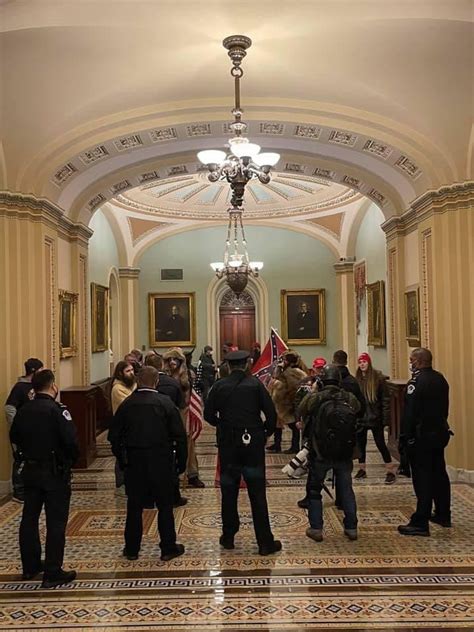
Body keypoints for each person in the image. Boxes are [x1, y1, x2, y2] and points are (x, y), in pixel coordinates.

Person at [204, 350, 282, 555]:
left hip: (228, 444)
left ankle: (228, 536)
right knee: (257, 493)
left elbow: (208, 415)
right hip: (253, 444)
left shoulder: (219, 386)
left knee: (228, 492)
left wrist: (222, 425)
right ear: (247, 364)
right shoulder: (256, 385)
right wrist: (265, 432)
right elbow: (271, 414)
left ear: (228, 366)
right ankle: (265, 542)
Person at [108, 366, 188, 561]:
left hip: (135, 463)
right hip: (161, 461)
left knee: (134, 507)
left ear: (138, 381)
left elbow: (114, 437)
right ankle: (168, 547)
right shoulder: (165, 403)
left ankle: (132, 549)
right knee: (164, 506)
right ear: (156, 382)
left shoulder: (127, 404)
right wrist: (180, 463)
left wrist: (123, 459)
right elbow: (180, 436)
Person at [10, 369, 79, 588]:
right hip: (54, 473)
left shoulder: (24, 410)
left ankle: (29, 567)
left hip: (30, 472)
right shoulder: (57, 410)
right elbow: (70, 442)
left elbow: (14, 437)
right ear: (52, 386)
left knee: (29, 519)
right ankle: (52, 571)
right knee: (56, 522)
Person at [300, 365, 360, 542]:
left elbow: (301, 410)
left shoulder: (316, 398)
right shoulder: (349, 397)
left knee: (314, 490)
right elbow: (358, 410)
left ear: (321, 380)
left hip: (320, 452)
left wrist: (313, 391)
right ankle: (351, 527)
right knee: (346, 490)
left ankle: (316, 528)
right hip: (344, 452)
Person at [398, 348, 452, 537]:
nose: (410, 363)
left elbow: (410, 413)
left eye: (412, 360)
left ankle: (420, 521)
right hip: (439, 433)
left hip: (421, 438)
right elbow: (445, 408)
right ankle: (444, 514)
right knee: (439, 473)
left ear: (418, 362)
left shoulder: (416, 382)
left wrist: (404, 437)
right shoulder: (440, 379)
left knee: (422, 479)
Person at [144, 352, 188, 507]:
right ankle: (173, 497)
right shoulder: (172, 383)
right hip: (167, 430)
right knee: (168, 467)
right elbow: (181, 406)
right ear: (162, 365)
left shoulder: (139, 387)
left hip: (145, 431)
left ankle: (148, 498)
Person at [163, 348, 204, 488]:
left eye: (176, 360)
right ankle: (173, 474)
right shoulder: (163, 377)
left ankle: (192, 474)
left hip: (185, 412)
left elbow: (192, 395)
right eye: (169, 360)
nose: (172, 362)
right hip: (168, 414)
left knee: (189, 446)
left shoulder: (189, 375)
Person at [5, 357, 44, 503]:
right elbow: (9, 408)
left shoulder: (37, 386)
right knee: (20, 459)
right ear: (33, 371)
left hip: (36, 431)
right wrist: (19, 426)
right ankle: (18, 490)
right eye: (40, 370)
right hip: (22, 432)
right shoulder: (19, 387)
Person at [355, 353, 396, 484]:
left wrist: (385, 420)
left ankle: (390, 470)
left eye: (364, 362)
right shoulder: (356, 379)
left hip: (375, 417)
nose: (362, 364)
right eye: (360, 362)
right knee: (361, 445)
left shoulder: (378, 378)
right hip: (361, 417)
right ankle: (362, 469)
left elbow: (385, 400)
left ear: (369, 363)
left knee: (380, 444)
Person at [268, 350, 308, 454]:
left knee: (292, 424)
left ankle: (295, 446)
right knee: (278, 423)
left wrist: (289, 400)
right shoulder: (285, 370)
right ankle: (277, 444)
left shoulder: (293, 372)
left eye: (284, 359)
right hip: (281, 402)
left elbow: (291, 387)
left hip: (287, 403)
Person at [110, 360, 137, 497]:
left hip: (134, 427)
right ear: (120, 373)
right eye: (128, 371)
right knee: (121, 456)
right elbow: (130, 405)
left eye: (132, 370)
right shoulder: (118, 388)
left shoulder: (132, 385)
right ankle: (121, 484)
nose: (131, 373)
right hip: (122, 428)